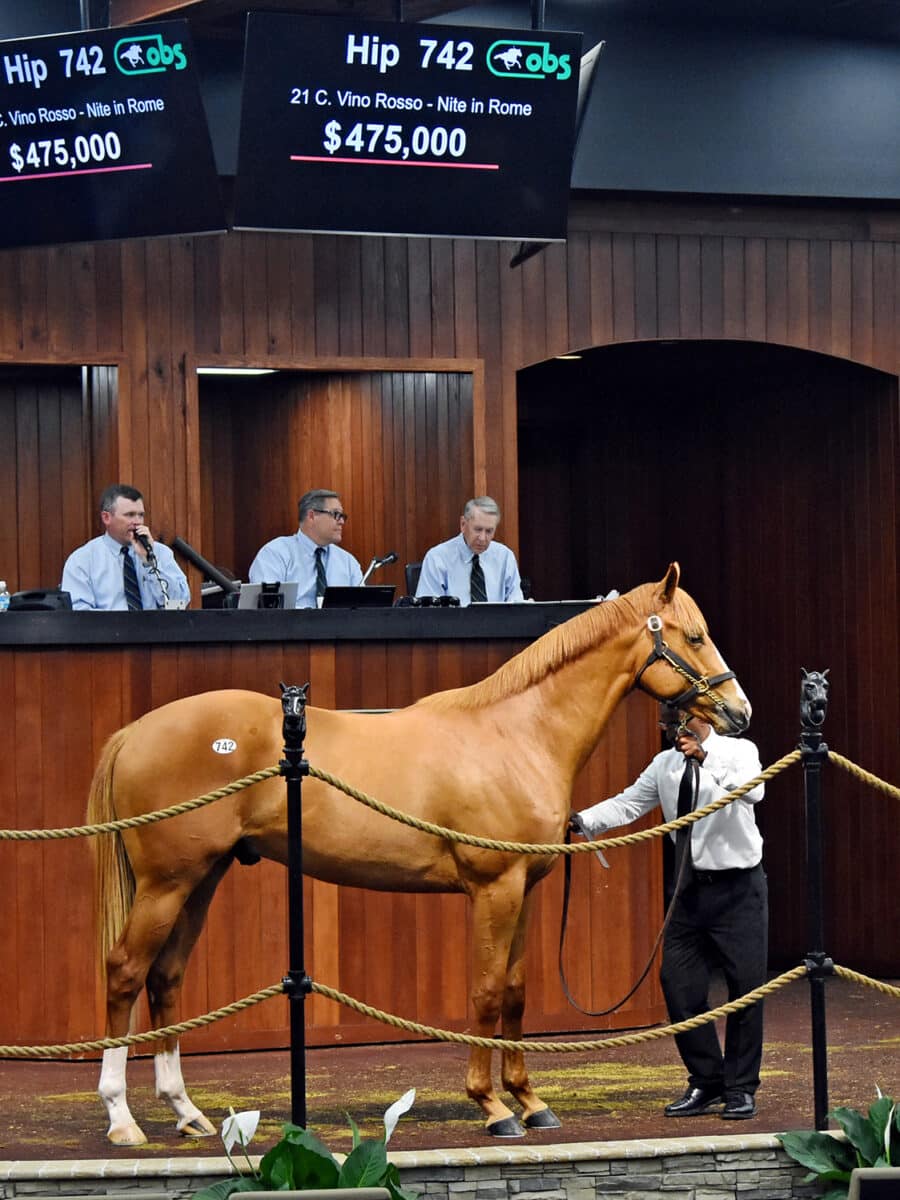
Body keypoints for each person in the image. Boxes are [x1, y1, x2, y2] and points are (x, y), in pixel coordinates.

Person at [574, 708, 767, 1121]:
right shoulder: (663, 765)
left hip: (739, 888)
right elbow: (630, 804)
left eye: (671, 724)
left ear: (695, 720)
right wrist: (582, 820)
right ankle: (707, 1079)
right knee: (678, 985)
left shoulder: (738, 750)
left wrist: (705, 757)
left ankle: (740, 1088)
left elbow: (752, 792)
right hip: (689, 889)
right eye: (662, 725)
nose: (666, 732)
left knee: (745, 989)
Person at [61, 484, 190, 611]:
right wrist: (121, 625)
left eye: (141, 515)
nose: (137, 522)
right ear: (106, 518)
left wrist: (149, 561)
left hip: (156, 630)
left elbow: (178, 603)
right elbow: (78, 612)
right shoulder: (83, 560)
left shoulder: (160, 553)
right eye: (129, 515)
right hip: (107, 631)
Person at [248, 488, 362, 609]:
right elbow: (268, 609)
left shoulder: (348, 562)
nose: (342, 522)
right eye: (336, 514)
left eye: (342, 516)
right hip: (290, 626)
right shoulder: (275, 554)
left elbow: (363, 608)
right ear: (312, 516)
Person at [415, 496, 523, 606]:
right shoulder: (437, 558)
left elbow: (516, 604)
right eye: (478, 529)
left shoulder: (505, 556)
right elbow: (428, 613)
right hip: (452, 622)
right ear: (463, 524)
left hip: (497, 622)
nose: (482, 538)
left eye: (489, 531)